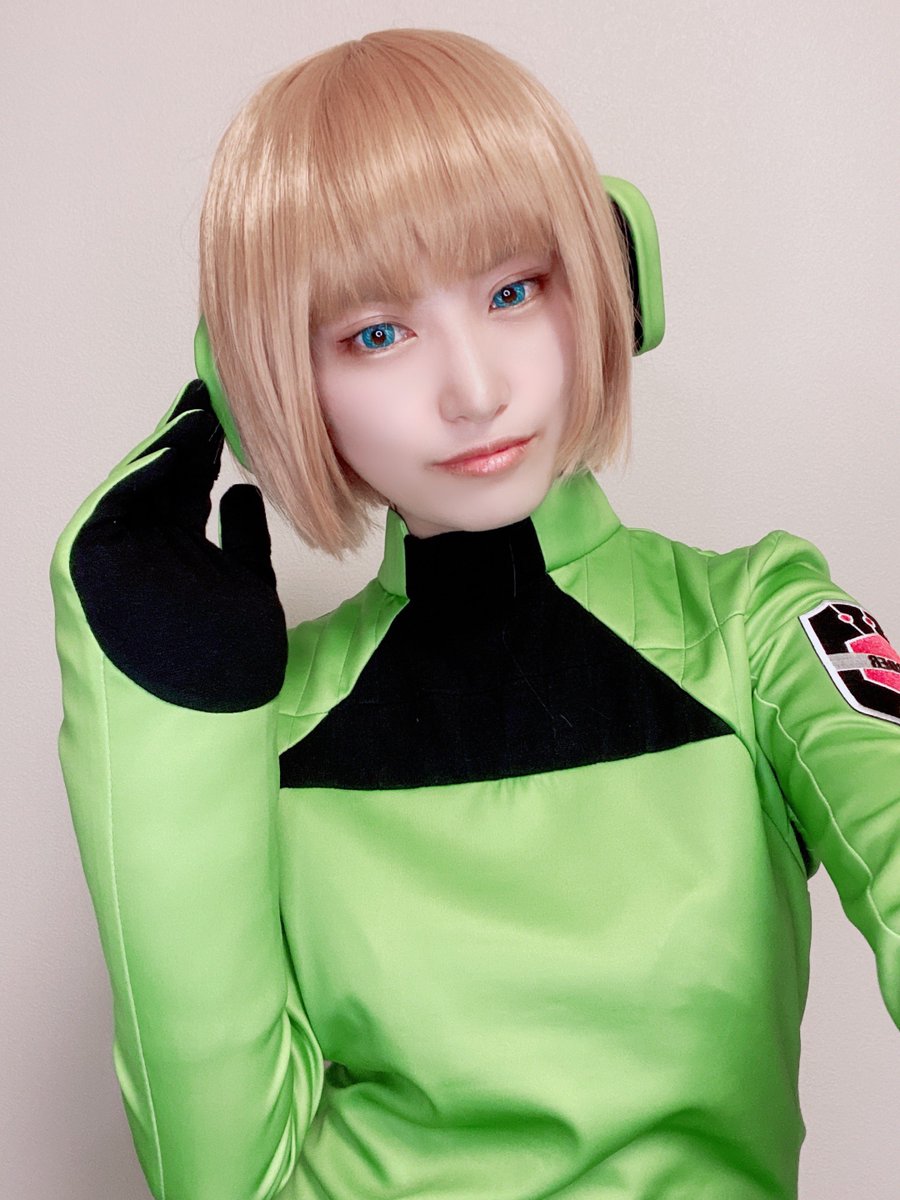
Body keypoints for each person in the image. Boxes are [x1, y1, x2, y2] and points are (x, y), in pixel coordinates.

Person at [50, 27, 899, 1200]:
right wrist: (163, 731)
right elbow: (223, 1180)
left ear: (612, 276)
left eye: (513, 290)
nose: (474, 389)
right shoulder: (260, 730)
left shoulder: (754, 628)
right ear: (269, 388)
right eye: (376, 333)